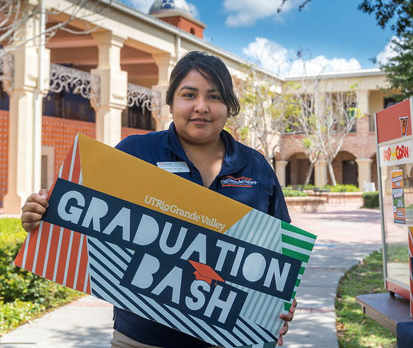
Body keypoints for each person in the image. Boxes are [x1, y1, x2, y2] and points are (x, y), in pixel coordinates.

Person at [20, 51, 297, 348]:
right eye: (189, 94)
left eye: (214, 97)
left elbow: (282, 253)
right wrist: (41, 216)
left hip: (232, 338)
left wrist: (279, 304)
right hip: (143, 338)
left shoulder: (255, 166)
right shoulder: (134, 153)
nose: (201, 107)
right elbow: (83, 225)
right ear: (171, 103)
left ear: (229, 106)